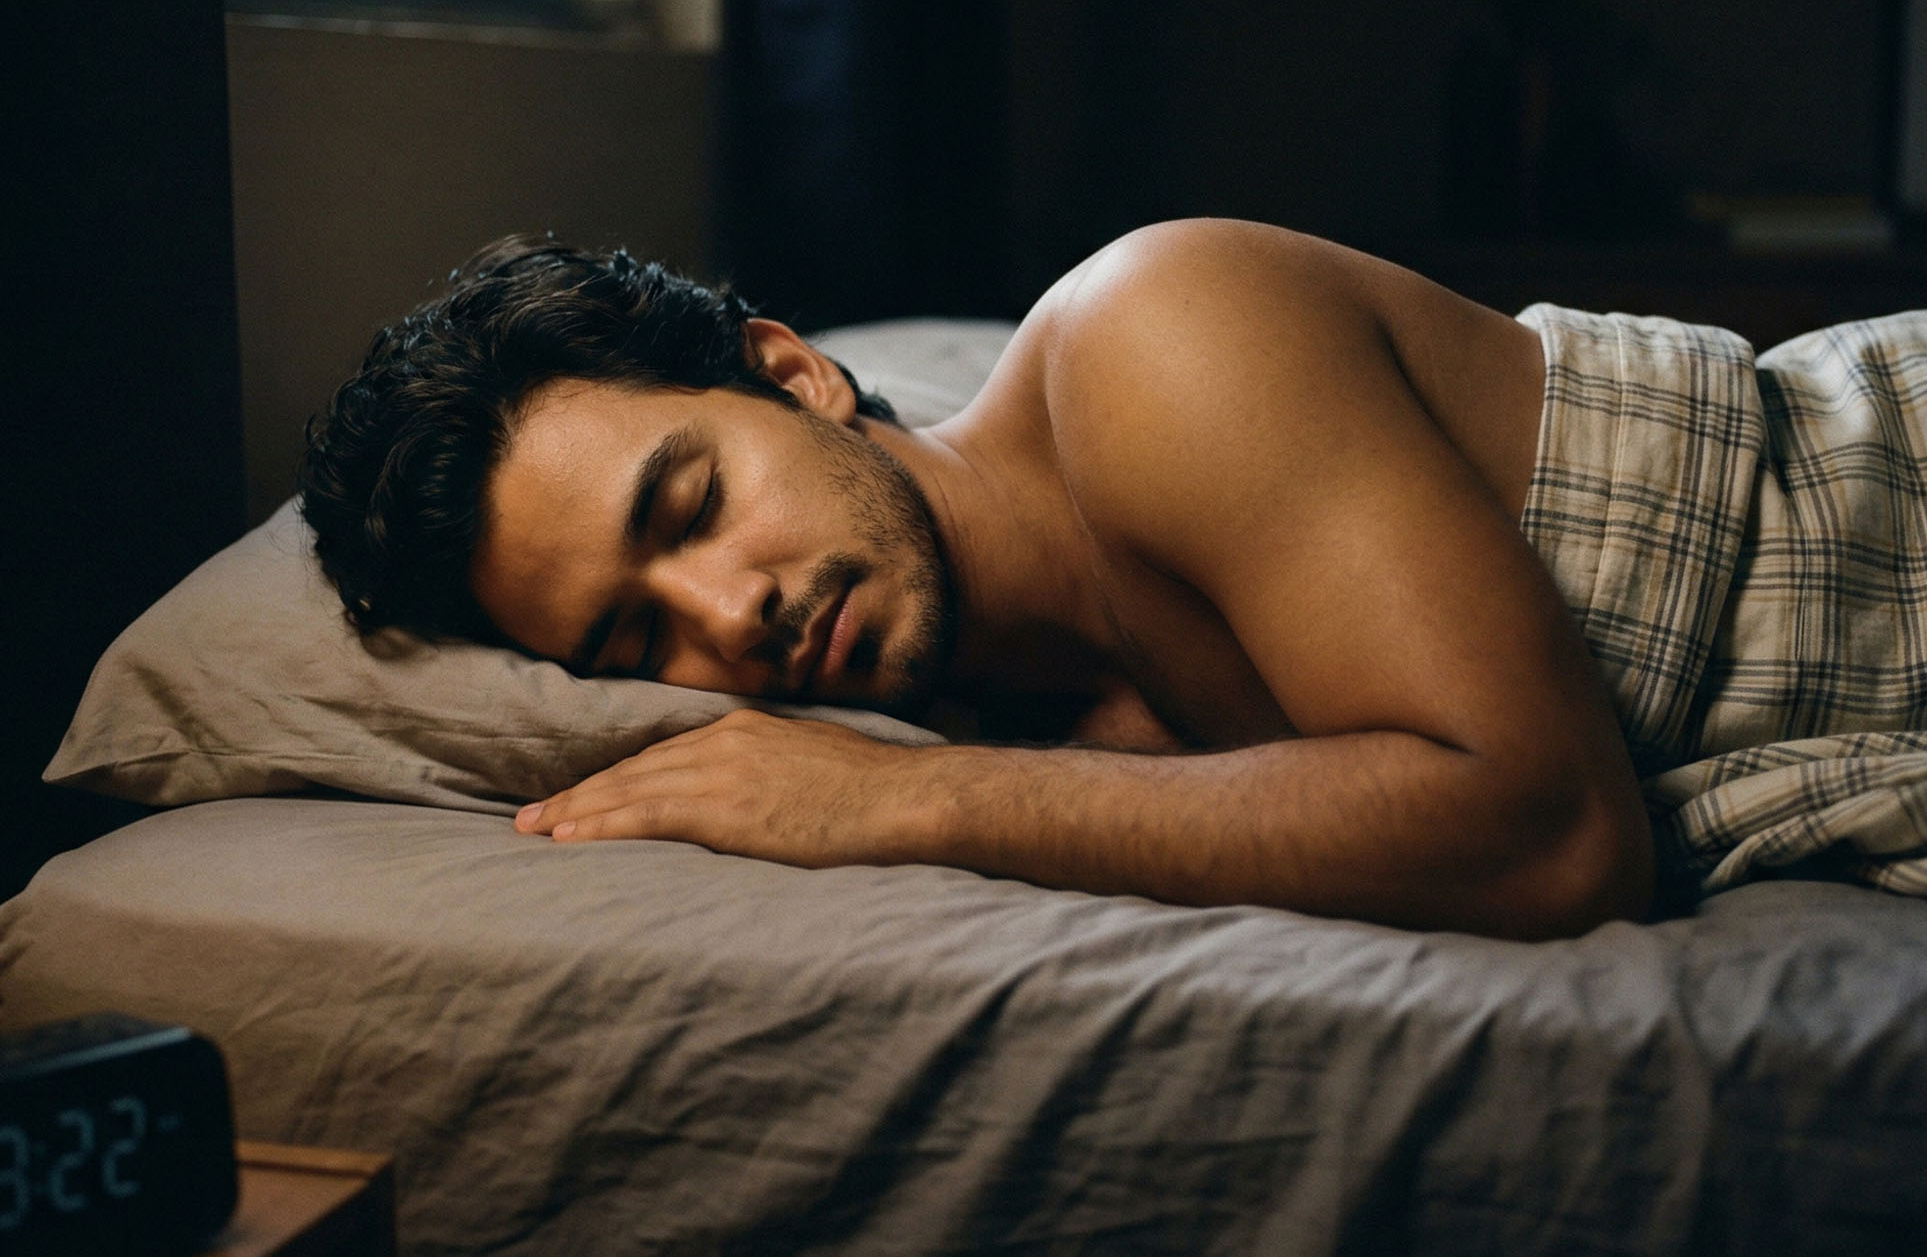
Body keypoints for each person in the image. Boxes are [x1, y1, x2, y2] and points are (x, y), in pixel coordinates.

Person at [300, 220, 1653, 939]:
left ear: (792, 375)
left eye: (695, 504)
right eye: (638, 643)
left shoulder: (1154, 333)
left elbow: (1556, 832)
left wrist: (904, 798)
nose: (728, 615)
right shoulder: (999, 715)